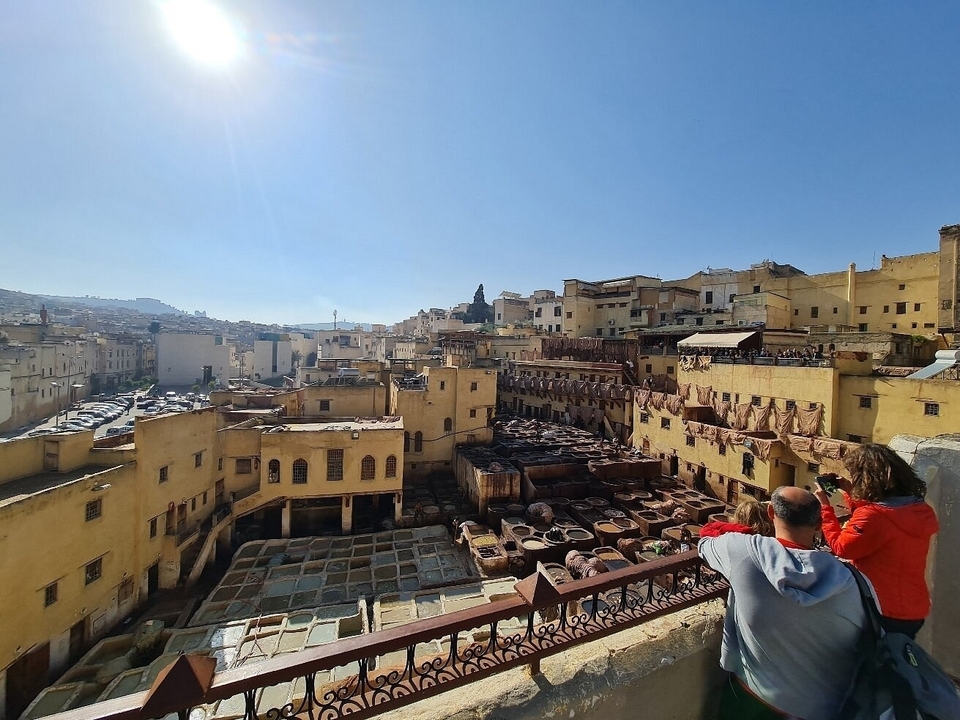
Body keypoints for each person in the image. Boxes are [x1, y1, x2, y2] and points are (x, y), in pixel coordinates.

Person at [699, 486, 866, 720]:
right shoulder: (853, 581)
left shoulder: (744, 551)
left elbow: (706, 537)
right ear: (819, 524)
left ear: (771, 513)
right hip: (827, 707)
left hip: (754, 701)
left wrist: (743, 532)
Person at [815, 444, 939, 639]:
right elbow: (877, 520)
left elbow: (841, 547)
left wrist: (824, 508)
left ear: (865, 478)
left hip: (883, 608)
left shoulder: (874, 516)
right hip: (913, 605)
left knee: (872, 664)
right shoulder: (917, 509)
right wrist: (849, 491)